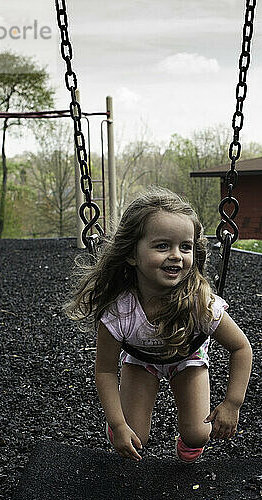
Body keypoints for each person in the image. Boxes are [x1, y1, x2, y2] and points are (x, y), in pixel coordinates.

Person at [64, 187, 252, 463]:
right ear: (131, 254)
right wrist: (117, 424)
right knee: (133, 434)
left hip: (188, 359)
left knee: (199, 434)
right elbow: (105, 370)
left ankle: (187, 444)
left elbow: (241, 348)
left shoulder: (200, 303)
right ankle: (123, 427)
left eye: (185, 247)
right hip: (141, 362)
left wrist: (232, 404)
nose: (176, 255)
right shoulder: (120, 310)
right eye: (162, 246)